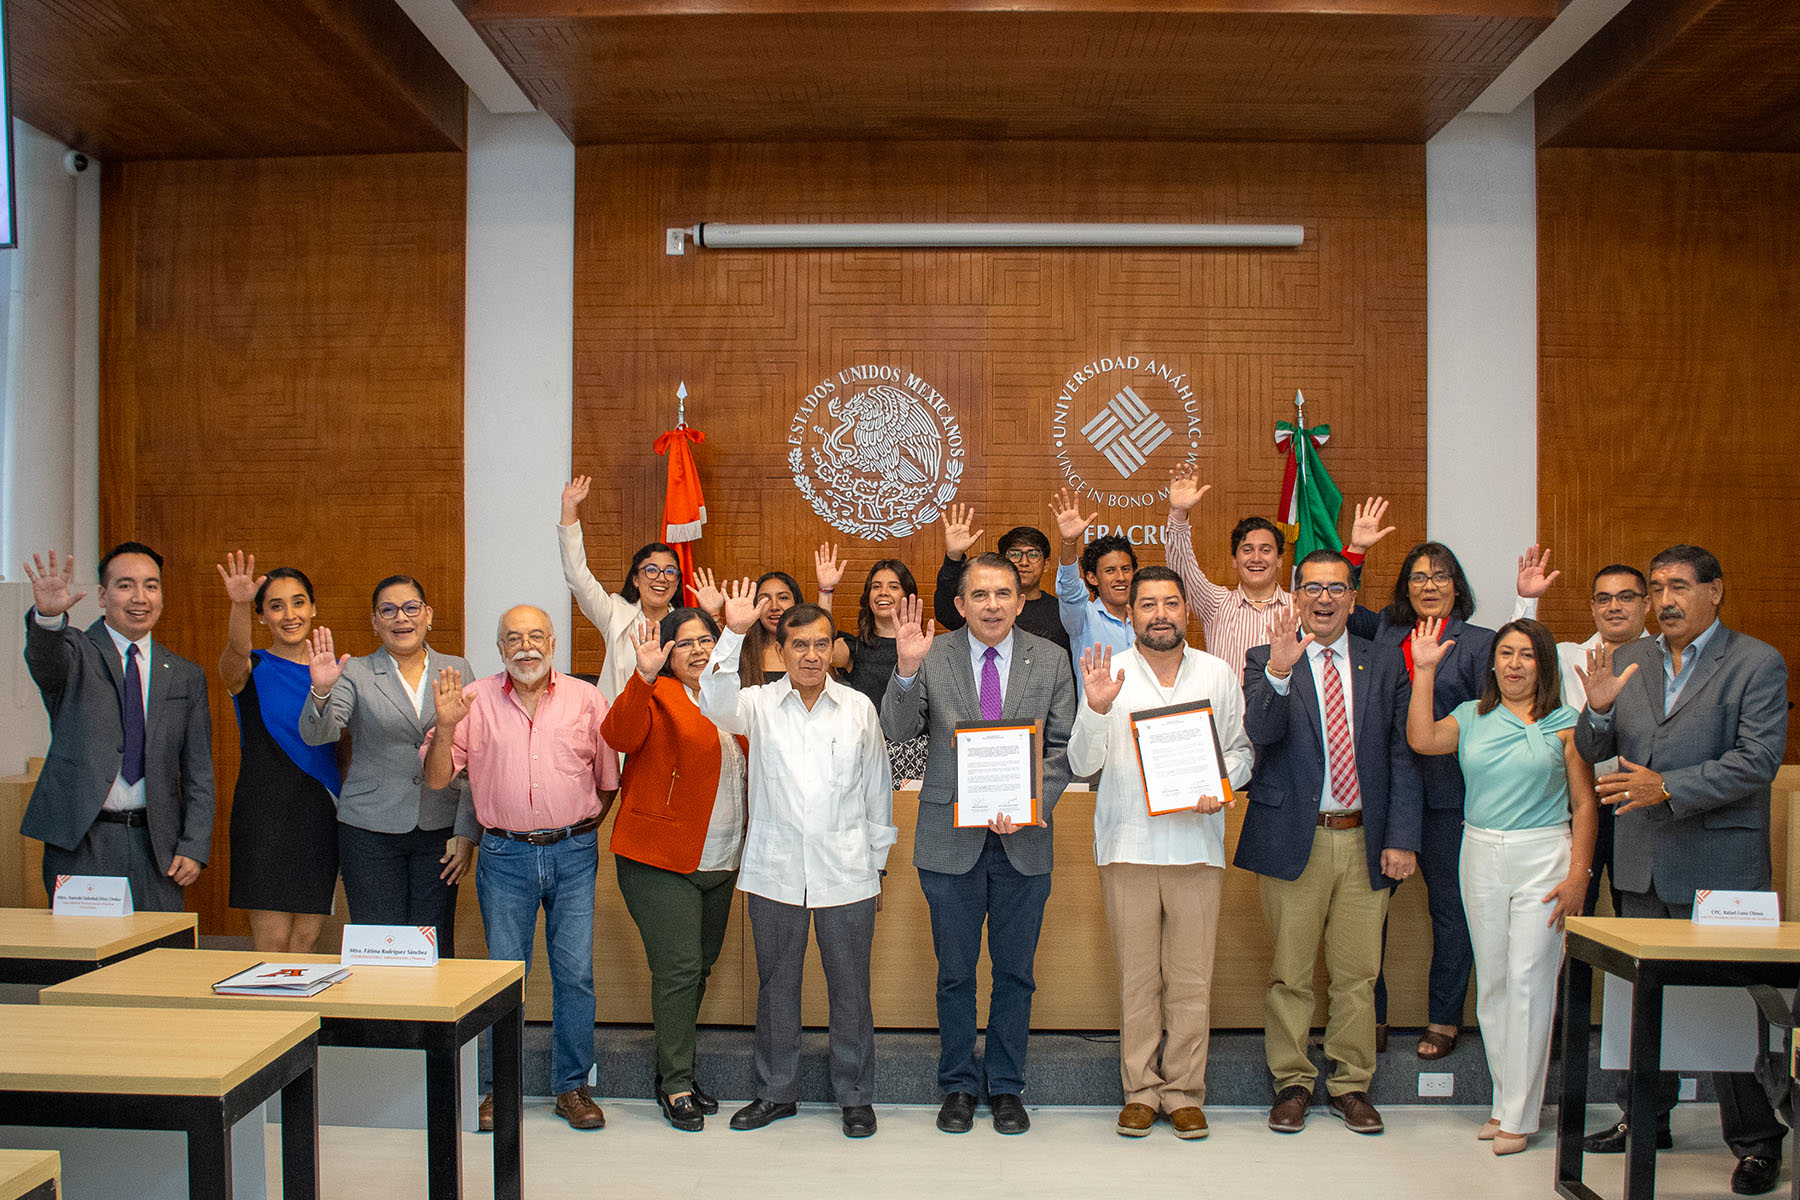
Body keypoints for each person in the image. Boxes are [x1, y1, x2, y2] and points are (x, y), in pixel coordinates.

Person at [1574, 545, 1788, 1197]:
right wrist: (1601, 712)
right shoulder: (1628, 660)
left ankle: (1756, 1143)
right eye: (1658, 588)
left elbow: (1758, 761)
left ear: (1715, 592)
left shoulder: (1756, 663)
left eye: (1679, 587)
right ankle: (1645, 1119)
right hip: (1643, 864)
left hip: (1720, 869)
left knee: (1730, 1011)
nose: (1665, 600)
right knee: (1641, 1008)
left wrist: (1666, 786)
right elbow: (1592, 751)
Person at [881, 555, 1078, 1135]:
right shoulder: (931, 654)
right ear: (960, 605)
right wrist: (906, 670)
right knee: (955, 973)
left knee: (1016, 972)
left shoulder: (1052, 659)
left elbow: (1065, 745)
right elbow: (897, 730)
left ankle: (1007, 1085)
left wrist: (1028, 803)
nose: (992, 604)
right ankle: (959, 1085)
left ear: (1021, 601)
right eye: (980, 595)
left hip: (1025, 839)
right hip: (949, 838)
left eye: (1003, 593)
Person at [698, 585, 895, 1139]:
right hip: (775, 870)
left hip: (848, 871)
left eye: (821, 644)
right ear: (780, 651)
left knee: (851, 989)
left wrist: (877, 866)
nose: (812, 655)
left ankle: (855, 1096)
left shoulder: (857, 708)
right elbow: (712, 700)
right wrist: (733, 630)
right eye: (799, 645)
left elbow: (877, 790)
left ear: (834, 649)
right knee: (776, 987)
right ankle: (776, 1092)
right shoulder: (756, 704)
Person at [1237, 550, 1421, 1135]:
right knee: (1290, 972)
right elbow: (1261, 734)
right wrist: (1281, 674)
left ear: (1352, 595)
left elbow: (1402, 755)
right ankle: (1291, 1082)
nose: (1323, 599)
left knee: (1357, 973)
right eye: (1312, 588)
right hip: (1295, 839)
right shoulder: (1265, 656)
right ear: (1295, 595)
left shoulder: (1384, 662)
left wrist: (1401, 836)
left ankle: (1350, 1084)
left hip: (1366, 839)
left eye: (1336, 588)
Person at [1067, 566, 1253, 1140]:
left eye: (1171, 603)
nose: (1161, 614)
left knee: (1192, 979)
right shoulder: (1109, 673)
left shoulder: (1217, 673)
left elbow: (1241, 752)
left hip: (1197, 847)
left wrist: (1221, 785)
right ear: (1132, 614)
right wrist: (1096, 709)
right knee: (1138, 979)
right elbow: (1080, 763)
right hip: (1128, 846)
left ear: (1186, 611)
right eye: (1148, 605)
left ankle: (1185, 1092)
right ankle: (1141, 1092)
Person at [424, 605, 619, 1131]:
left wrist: (576, 829)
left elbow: (607, 779)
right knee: (505, 977)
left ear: (553, 642)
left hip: (574, 853)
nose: (526, 646)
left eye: (536, 636)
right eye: (514, 638)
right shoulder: (472, 701)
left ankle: (572, 1087)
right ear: (500, 648)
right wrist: (444, 729)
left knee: (574, 975)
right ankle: (497, 1090)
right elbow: (438, 780)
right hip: (504, 855)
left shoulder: (586, 698)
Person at [1406, 616, 1596, 1155]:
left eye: (1527, 655)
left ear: (1545, 665)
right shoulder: (1472, 714)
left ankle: (1519, 1115)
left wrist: (1578, 874)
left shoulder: (1567, 721)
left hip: (1545, 856)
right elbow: (1421, 738)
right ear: (1493, 662)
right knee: (1491, 986)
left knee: (1530, 982)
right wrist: (1424, 673)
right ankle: (1503, 1102)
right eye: (1506, 654)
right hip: (1481, 852)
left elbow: (1585, 804)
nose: (1515, 665)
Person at [600, 609, 746, 1132]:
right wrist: (641, 677)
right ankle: (675, 1083)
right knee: (681, 968)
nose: (698, 650)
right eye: (684, 643)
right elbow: (618, 735)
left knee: (697, 967)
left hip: (722, 859)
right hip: (659, 858)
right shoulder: (657, 695)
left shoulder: (733, 701)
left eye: (707, 639)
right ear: (665, 651)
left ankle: (676, 1068)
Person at [21, 545, 214, 912]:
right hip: (82, 843)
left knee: (157, 958)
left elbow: (199, 771)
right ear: (102, 596)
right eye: (125, 586)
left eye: (151, 586)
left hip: (158, 848)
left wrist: (193, 844)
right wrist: (47, 618)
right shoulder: (76, 652)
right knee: (86, 960)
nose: (140, 598)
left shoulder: (186, 675)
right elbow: (45, 661)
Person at [301, 576, 478, 952]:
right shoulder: (355, 671)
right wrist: (321, 691)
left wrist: (467, 832)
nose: (402, 618)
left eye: (411, 607)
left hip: (439, 828)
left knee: (433, 946)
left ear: (427, 615)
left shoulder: (456, 668)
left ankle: (427, 1015)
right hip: (369, 829)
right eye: (389, 610)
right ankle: (382, 1015)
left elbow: (473, 759)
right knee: (379, 946)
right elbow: (321, 735)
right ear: (375, 620)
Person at [216, 553, 339, 952]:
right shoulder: (249, 667)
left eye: (299, 601)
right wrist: (237, 603)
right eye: (275, 605)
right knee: (272, 946)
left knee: (306, 942)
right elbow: (234, 653)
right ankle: (269, 1016)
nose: (290, 613)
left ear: (313, 607)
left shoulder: (335, 671)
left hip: (321, 815)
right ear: (261, 616)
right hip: (264, 818)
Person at [1160, 463, 1295, 678]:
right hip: (1228, 711)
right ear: (1234, 559)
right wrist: (1178, 513)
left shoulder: (1299, 609)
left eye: (1266, 550)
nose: (1256, 558)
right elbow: (1183, 571)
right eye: (1247, 550)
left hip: (1283, 711)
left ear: (1279, 559)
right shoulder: (1216, 603)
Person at [557, 474, 684, 700]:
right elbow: (577, 577)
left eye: (670, 571)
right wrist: (569, 511)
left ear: (677, 582)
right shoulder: (615, 613)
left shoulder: (686, 623)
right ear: (636, 579)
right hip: (622, 727)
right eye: (652, 570)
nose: (661, 578)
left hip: (672, 730)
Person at [818, 548, 928, 782]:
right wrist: (825, 591)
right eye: (876, 586)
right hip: (863, 753)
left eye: (893, 586)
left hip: (913, 758)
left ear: (908, 595)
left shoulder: (925, 649)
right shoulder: (854, 647)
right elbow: (822, 651)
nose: (883, 592)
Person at [931, 506, 1071, 654]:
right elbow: (946, 613)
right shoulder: (984, 605)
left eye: (1033, 554)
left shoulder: (1062, 612)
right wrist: (954, 557)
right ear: (1004, 561)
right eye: (1015, 554)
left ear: (1046, 564)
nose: (1024, 562)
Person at [1049, 489, 1137, 694]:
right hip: (1099, 722)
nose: (1121, 577)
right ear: (1091, 578)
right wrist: (1069, 542)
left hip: (1144, 722)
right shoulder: (1082, 618)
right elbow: (1070, 591)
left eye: (1126, 569)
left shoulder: (1147, 618)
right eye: (1110, 571)